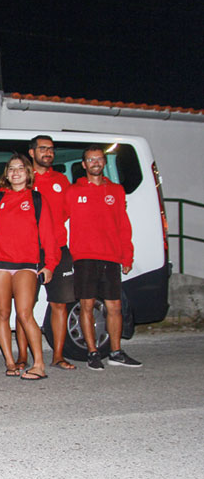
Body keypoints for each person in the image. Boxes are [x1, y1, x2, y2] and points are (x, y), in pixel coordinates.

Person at [65, 145, 140, 370]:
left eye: (99, 159)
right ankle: (92, 352)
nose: (95, 163)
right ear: (84, 164)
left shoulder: (116, 191)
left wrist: (127, 255)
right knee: (86, 306)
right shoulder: (73, 192)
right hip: (84, 257)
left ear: (104, 163)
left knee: (114, 306)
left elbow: (123, 226)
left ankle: (116, 352)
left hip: (110, 257)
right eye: (91, 159)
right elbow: (57, 219)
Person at [0, 154, 59, 381]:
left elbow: (48, 235)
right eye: (11, 169)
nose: (15, 172)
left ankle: (38, 364)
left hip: (26, 264)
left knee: (25, 314)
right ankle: (9, 361)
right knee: (3, 313)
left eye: (20, 168)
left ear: (28, 173)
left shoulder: (37, 199)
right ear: (6, 174)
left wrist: (50, 264)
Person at [28, 135, 76, 370]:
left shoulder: (62, 180)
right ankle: (21, 357)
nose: (48, 153)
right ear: (32, 152)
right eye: (43, 148)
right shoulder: (23, 178)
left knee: (60, 304)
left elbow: (69, 212)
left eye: (51, 149)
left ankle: (58, 355)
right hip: (28, 251)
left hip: (58, 249)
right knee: (25, 307)